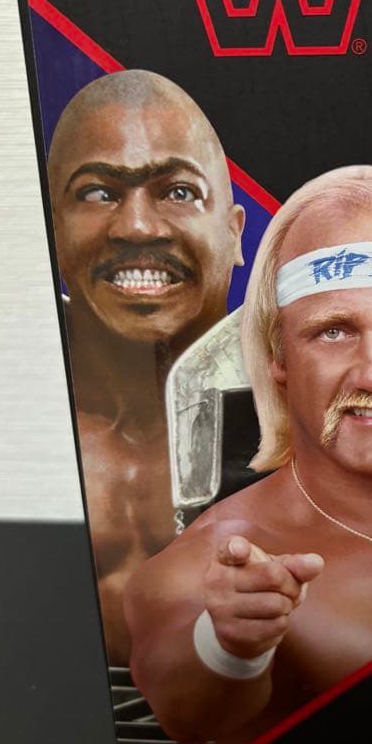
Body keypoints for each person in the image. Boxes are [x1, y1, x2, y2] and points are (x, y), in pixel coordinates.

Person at [124, 165, 372, 744]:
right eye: (333, 332)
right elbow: (188, 715)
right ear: (278, 355)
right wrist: (229, 645)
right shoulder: (208, 563)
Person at [47, 70, 245, 665]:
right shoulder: (0, 410)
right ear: (52, 229)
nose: (136, 226)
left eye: (179, 191)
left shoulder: (312, 402)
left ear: (235, 232)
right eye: (97, 193)